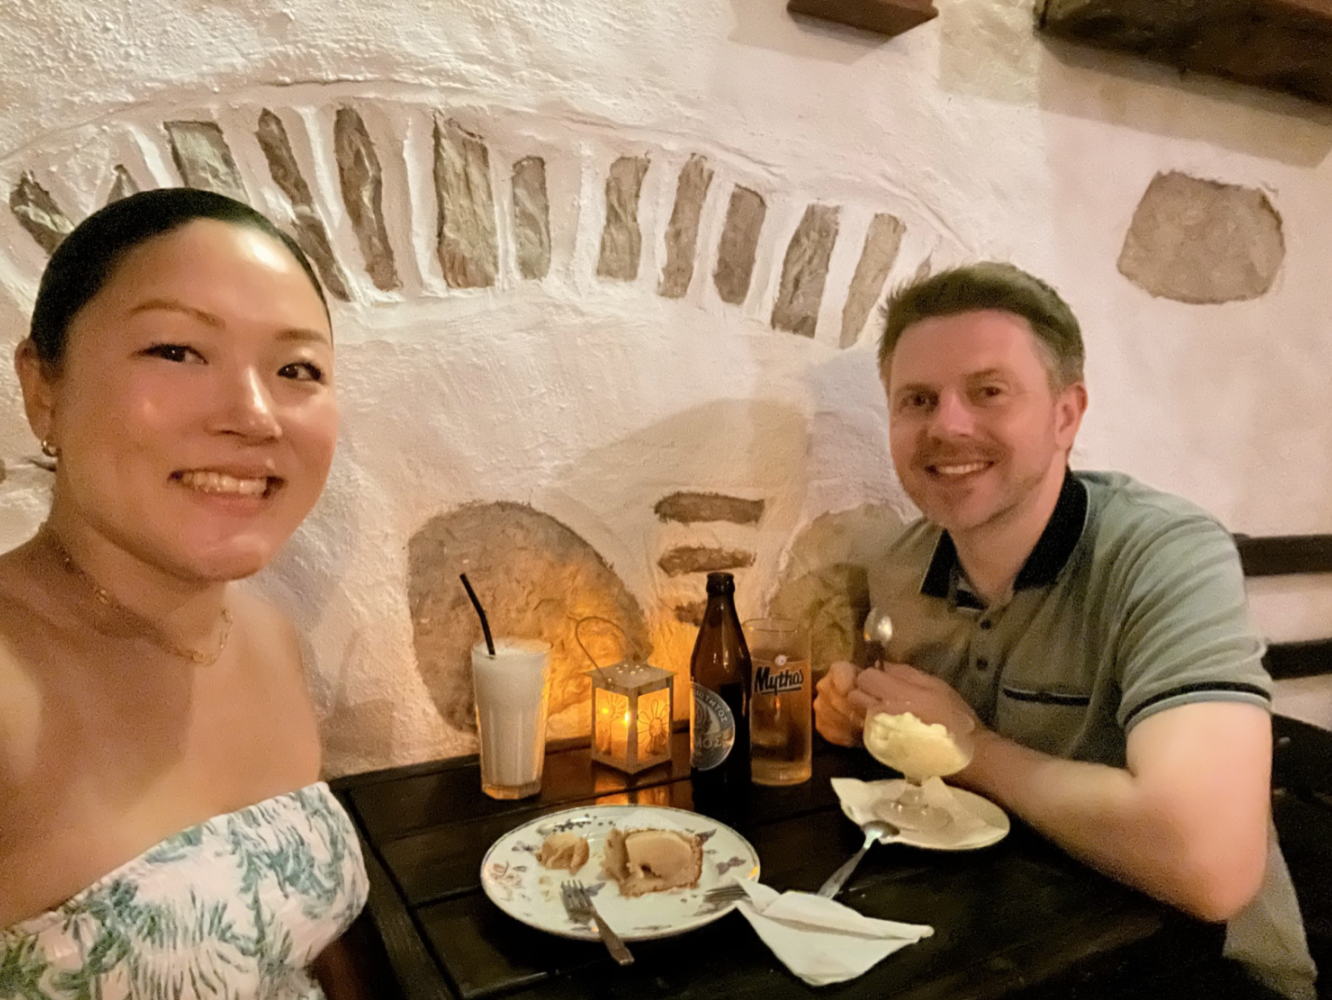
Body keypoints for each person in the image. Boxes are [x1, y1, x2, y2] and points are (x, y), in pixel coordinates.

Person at [813, 262, 1317, 999]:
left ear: (1065, 415)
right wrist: (862, 717)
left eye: (988, 391)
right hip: (1009, 949)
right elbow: (921, 753)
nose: (947, 424)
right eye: (917, 399)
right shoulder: (897, 566)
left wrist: (969, 748)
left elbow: (1210, 866)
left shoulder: (1165, 554)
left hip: (1205, 969)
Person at [0, 188, 369, 999]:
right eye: (176, 350)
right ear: (43, 388)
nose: (253, 413)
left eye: (297, 369)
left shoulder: (271, 639)